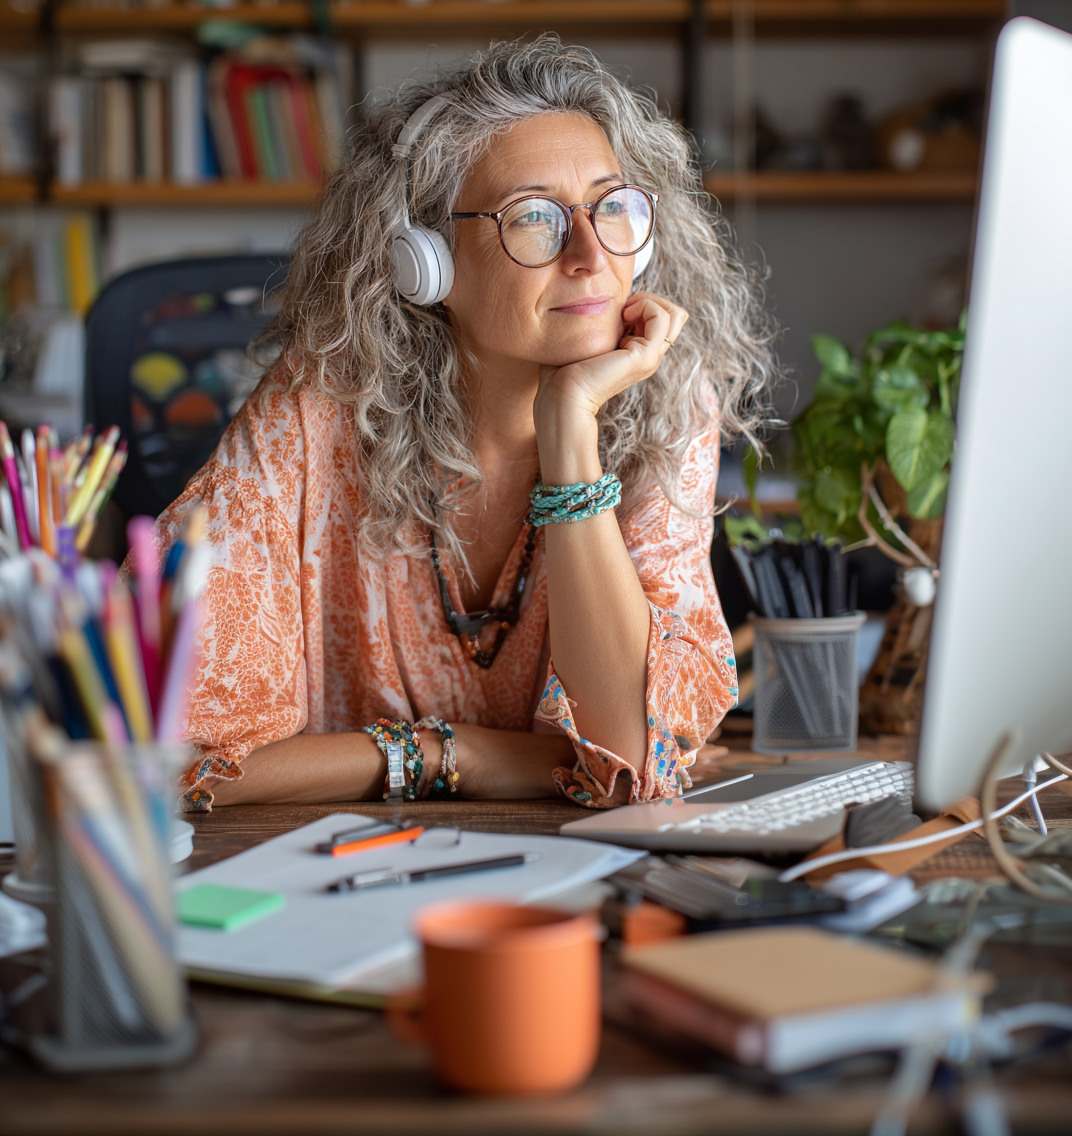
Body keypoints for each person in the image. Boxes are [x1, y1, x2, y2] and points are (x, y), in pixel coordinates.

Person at [162, 37, 777, 813]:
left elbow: (629, 762)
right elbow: (170, 759)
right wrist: (442, 756)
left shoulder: (667, 401)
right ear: (429, 261)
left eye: (611, 207)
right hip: (345, 870)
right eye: (534, 220)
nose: (591, 254)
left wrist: (570, 423)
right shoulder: (317, 407)